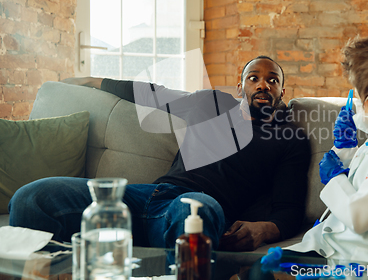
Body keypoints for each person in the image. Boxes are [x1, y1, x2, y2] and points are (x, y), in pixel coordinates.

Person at [8, 56, 311, 252]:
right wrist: (91, 82)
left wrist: (263, 230)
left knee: (197, 215)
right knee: (31, 198)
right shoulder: (213, 104)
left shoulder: (290, 139)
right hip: (144, 196)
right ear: (239, 86)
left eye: (273, 80)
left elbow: (289, 209)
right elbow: (152, 93)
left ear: (282, 92)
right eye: (254, 77)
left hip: (190, 210)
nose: (263, 84)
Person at [255, 34, 368, 279]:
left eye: (359, 98)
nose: (356, 106)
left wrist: (333, 177)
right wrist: (345, 149)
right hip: (346, 249)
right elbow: (367, 181)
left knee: (262, 275)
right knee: (259, 272)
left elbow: (359, 215)